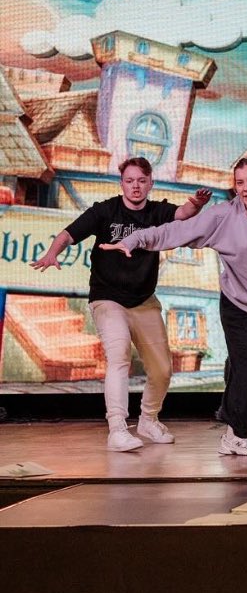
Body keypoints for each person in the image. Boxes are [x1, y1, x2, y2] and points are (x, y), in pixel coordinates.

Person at [102, 158, 247, 457]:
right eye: (240, 183)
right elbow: (173, 232)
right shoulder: (222, 216)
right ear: (235, 187)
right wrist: (135, 239)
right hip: (238, 302)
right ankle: (234, 435)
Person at [31, 157, 211, 451]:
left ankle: (148, 420)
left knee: (163, 369)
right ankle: (116, 428)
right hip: (107, 299)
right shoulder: (105, 211)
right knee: (119, 356)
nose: (136, 186)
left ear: (150, 183)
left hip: (144, 301)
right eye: (130, 181)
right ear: (122, 184)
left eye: (141, 180)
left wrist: (198, 204)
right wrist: (53, 253)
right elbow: (68, 233)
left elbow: (183, 212)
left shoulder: (158, 211)